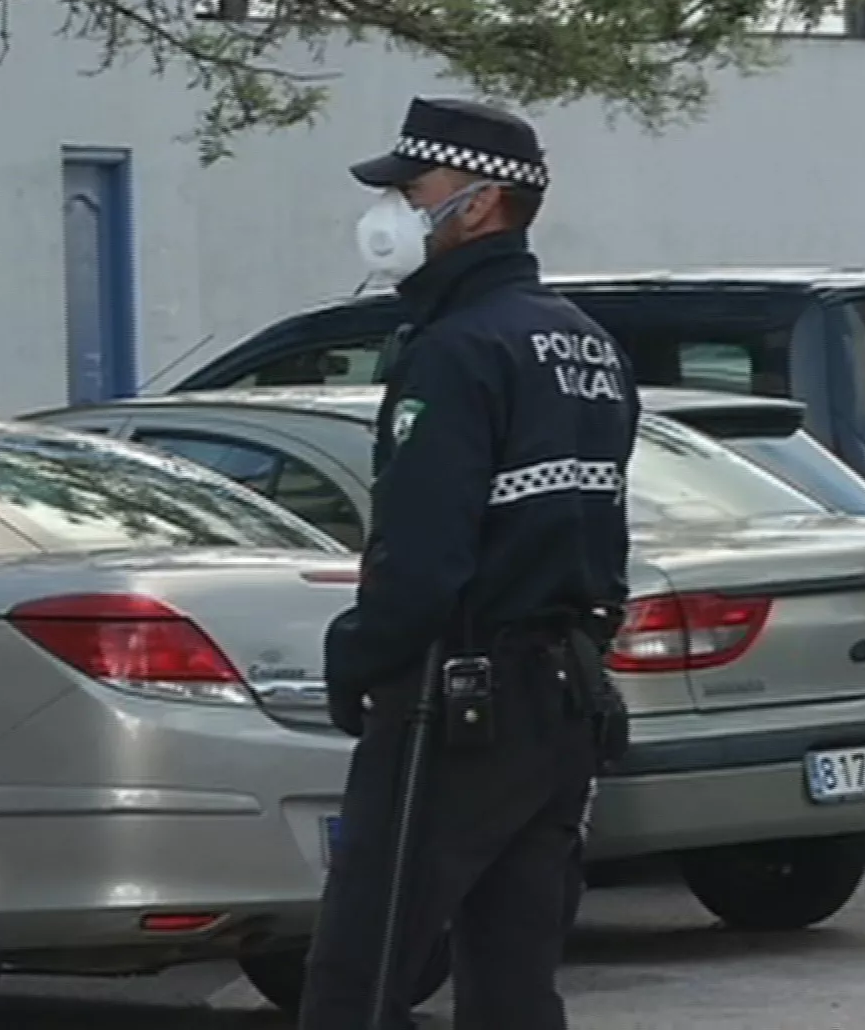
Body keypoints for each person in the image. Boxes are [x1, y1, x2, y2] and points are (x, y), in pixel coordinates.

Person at [300, 96, 639, 1030]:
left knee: (357, 981)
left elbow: (422, 556)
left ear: (481, 205)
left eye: (415, 190)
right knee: (513, 981)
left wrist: (359, 657)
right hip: (560, 699)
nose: (396, 211)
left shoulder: (456, 349)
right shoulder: (587, 345)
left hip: (453, 706)